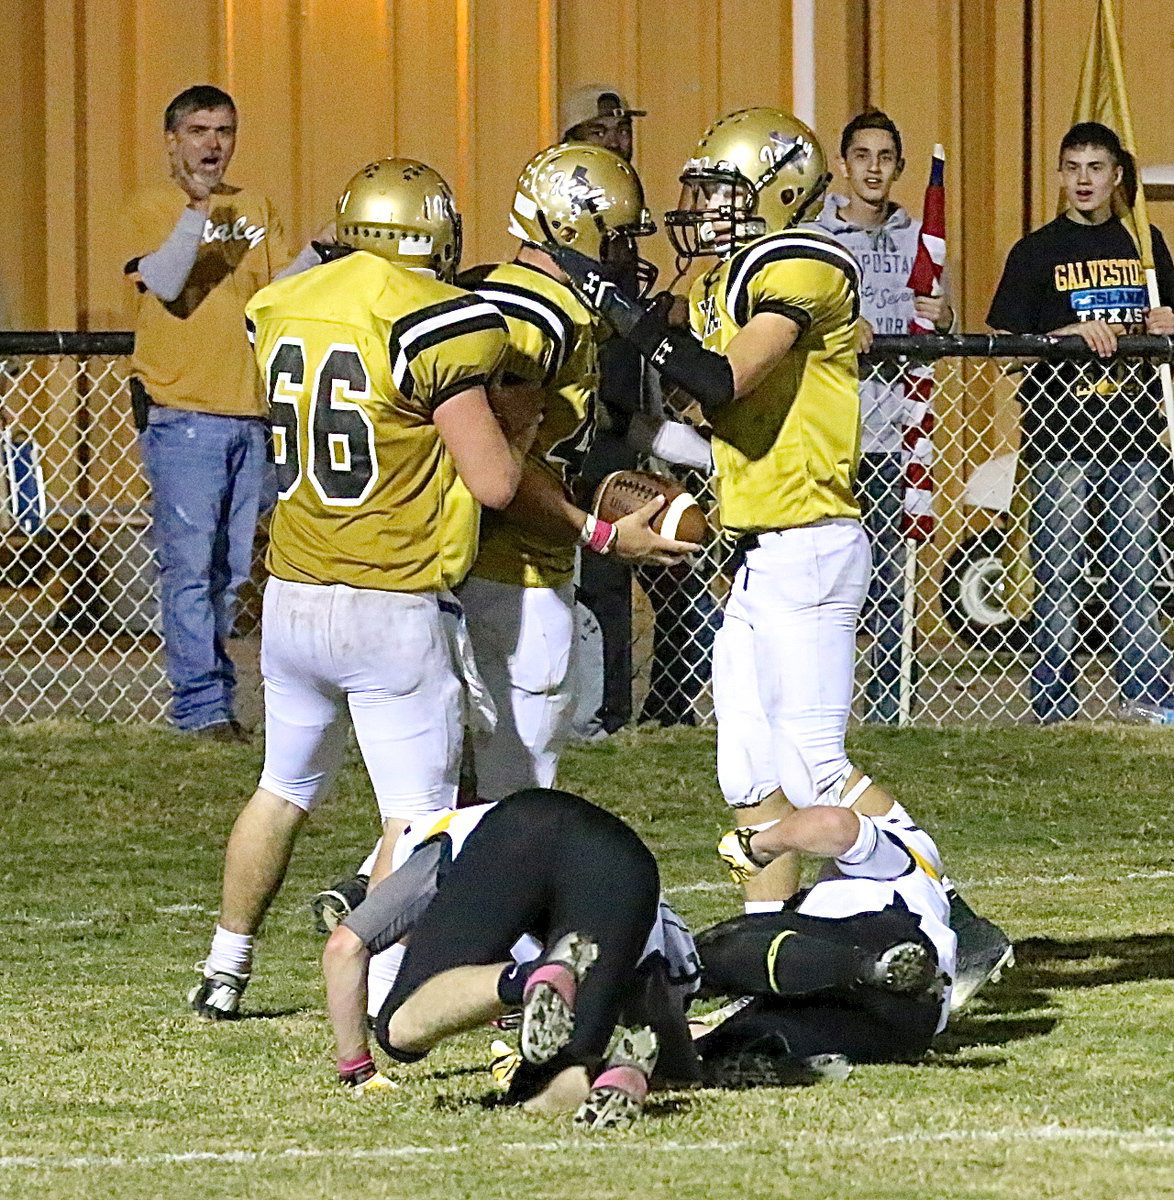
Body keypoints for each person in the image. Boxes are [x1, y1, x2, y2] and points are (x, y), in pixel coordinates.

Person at [550, 106, 1012, 1007]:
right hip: (760, 552)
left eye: (724, 191)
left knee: (814, 764)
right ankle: (767, 953)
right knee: (748, 773)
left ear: (780, 191)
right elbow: (722, 426)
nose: (706, 208)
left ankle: (955, 919)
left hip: (810, 545)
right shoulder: (732, 281)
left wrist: (628, 315)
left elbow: (721, 380)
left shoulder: (800, 262)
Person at [308, 143, 699, 935]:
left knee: (463, 786)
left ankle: (384, 902)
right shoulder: (535, 317)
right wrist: (595, 529)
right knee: (518, 800)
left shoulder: (513, 295)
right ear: (570, 226)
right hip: (506, 576)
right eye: (619, 238)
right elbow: (500, 468)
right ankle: (468, 952)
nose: (629, 258)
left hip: (473, 574)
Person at [187, 158, 531, 1019]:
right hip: (389, 597)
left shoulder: (287, 304)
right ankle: (380, 989)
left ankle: (224, 967)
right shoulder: (435, 318)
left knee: (283, 786)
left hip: (296, 592)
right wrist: (526, 423)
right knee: (415, 818)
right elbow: (492, 482)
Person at [322, 788, 698, 1128]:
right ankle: (613, 1073)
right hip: (627, 857)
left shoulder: (432, 837)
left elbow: (345, 946)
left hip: (521, 827)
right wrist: (675, 1069)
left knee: (398, 1030)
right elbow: (660, 1015)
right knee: (554, 1073)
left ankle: (528, 979)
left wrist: (357, 1069)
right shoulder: (665, 926)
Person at [988, 121, 1174, 725]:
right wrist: (1064, 336)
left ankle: (1147, 697)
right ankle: (1054, 705)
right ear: (1061, 175)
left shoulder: (1145, 245)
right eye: (1074, 168)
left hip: (1136, 433)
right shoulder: (1036, 251)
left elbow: (1165, 324)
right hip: (1059, 434)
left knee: (1137, 570)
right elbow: (1005, 347)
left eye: (1097, 168)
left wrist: (1165, 322)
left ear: (1117, 175)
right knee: (1059, 572)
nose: (1085, 180)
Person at [123, 86, 290, 739]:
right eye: (197, 130)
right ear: (172, 139)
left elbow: (275, 296)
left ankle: (217, 702)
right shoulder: (153, 206)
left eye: (223, 129)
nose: (212, 144)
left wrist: (323, 250)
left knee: (230, 571)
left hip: (251, 412)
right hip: (186, 413)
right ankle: (200, 708)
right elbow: (164, 282)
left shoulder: (255, 207)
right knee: (189, 566)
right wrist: (195, 214)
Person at [562, 83, 718, 734]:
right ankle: (605, 720)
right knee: (600, 593)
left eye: (624, 130)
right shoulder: (566, 260)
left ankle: (665, 714)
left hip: (625, 446)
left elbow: (637, 397)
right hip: (575, 454)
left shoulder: (626, 265)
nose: (621, 140)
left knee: (681, 583)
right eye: (603, 132)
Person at [803, 110, 955, 724]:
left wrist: (941, 317)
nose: (873, 168)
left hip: (892, 432)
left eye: (885, 157)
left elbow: (940, 320)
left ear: (898, 167)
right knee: (823, 576)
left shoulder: (920, 237)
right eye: (861, 155)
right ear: (843, 164)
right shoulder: (815, 238)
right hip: (829, 431)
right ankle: (821, 699)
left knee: (890, 578)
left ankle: (890, 701)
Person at [696, 803, 954, 1080]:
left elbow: (835, 825)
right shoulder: (929, 906)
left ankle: (869, 966)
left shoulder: (903, 854)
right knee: (733, 1044)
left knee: (707, 953)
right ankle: (774, 1057)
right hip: (908, 1021)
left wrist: (756, 846)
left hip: (877, 940)